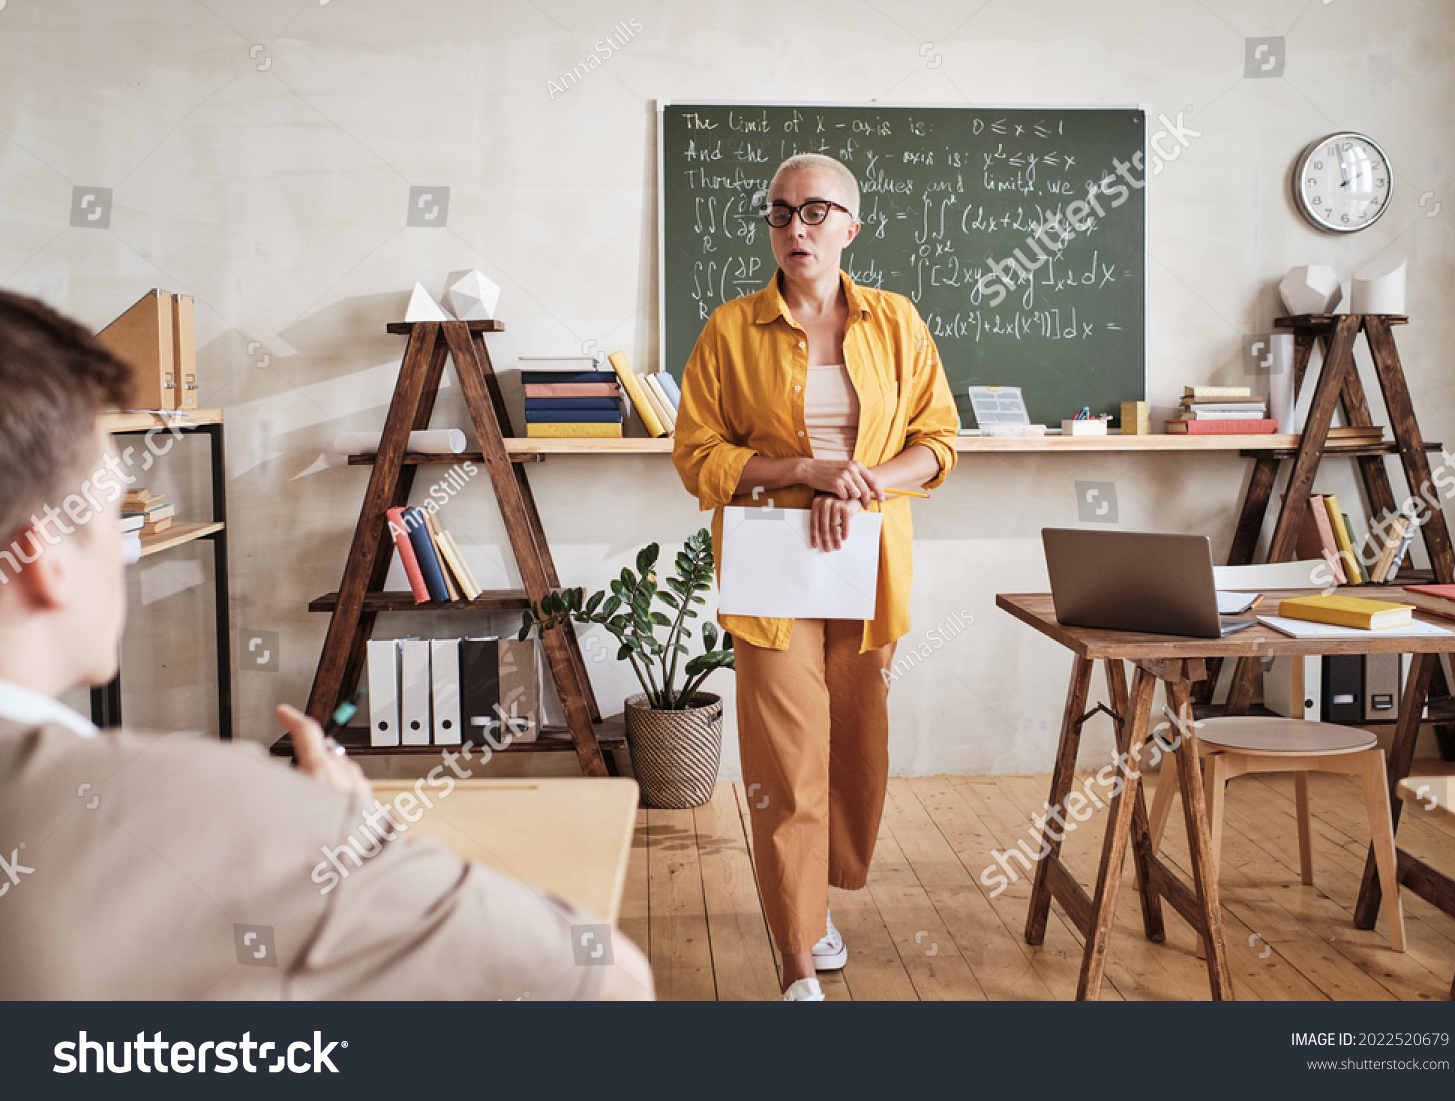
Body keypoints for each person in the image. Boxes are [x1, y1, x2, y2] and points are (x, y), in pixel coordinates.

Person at [0, 289, 652, 1000]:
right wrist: (353, 840)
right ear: (47, 560)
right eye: (112, 517)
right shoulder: (199, 809)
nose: (128, 558)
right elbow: (607, 980)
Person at [673, 153, 959, 1000]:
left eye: (815, 211)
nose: (795, 228)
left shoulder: (898, 322)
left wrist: (859, 480)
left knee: (854, 753)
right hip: (773, 573)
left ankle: (815, 904)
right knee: (786, 759)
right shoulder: (729, 329)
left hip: (867, 569)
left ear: (850, 227)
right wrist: (806, 469)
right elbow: (697, 456)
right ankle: (798, 963)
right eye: (780, 213)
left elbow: (937, 445)